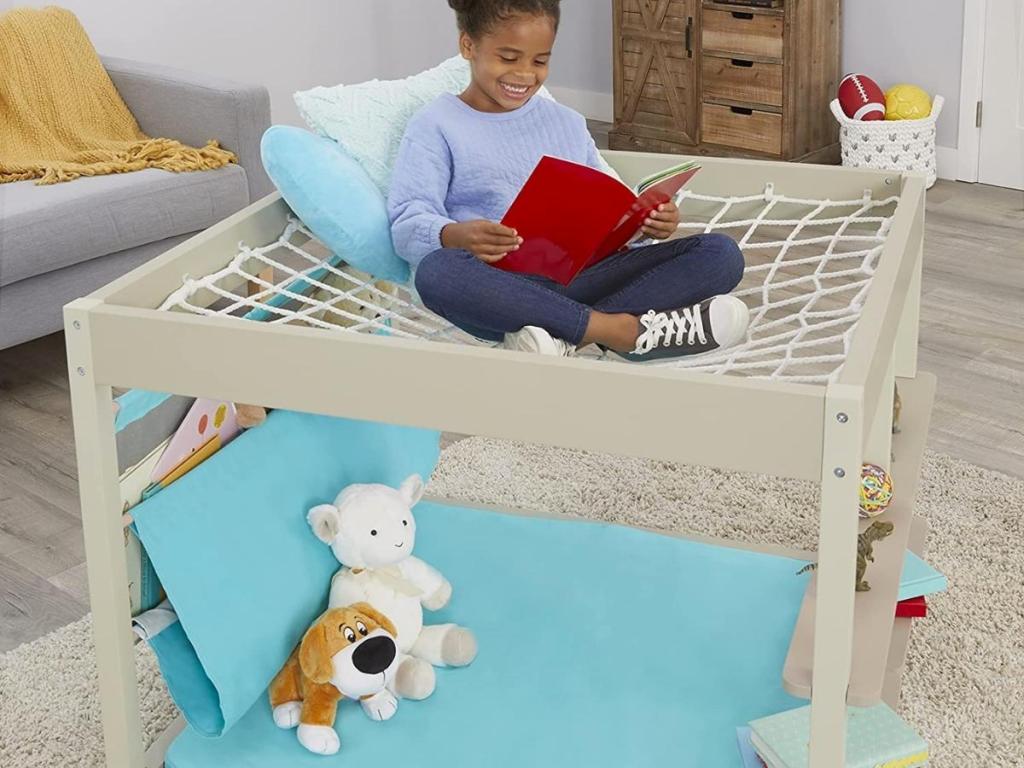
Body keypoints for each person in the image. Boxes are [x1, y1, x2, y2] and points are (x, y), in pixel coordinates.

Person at [388, 0, 748, 360]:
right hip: (501, 289)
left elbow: (606, 209)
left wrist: (645, 225)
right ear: (469, 46)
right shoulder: (436, 124)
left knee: (720, 253)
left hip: (582, 276)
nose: (525, 74)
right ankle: (621, 331)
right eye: (509, 58)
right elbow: (407, 223)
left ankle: (565, 332)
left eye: (540, 61)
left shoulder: (567, 123)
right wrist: (455, 234)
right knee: (438, 272)